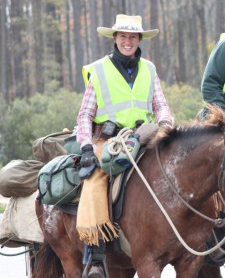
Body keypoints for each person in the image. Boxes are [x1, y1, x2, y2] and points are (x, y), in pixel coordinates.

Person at [76, 14, 173, 278]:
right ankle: (95, 254)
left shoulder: (149, 69)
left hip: (144, 136)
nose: (127, 41)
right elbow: (85, 114)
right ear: (115, 39)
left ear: (139, 40)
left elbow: (160, 104)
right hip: (107, 141)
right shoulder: (98, 70)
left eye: (132, 37)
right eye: (123, 37)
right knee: (95, 177)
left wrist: (164, 123)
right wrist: (86, 146)